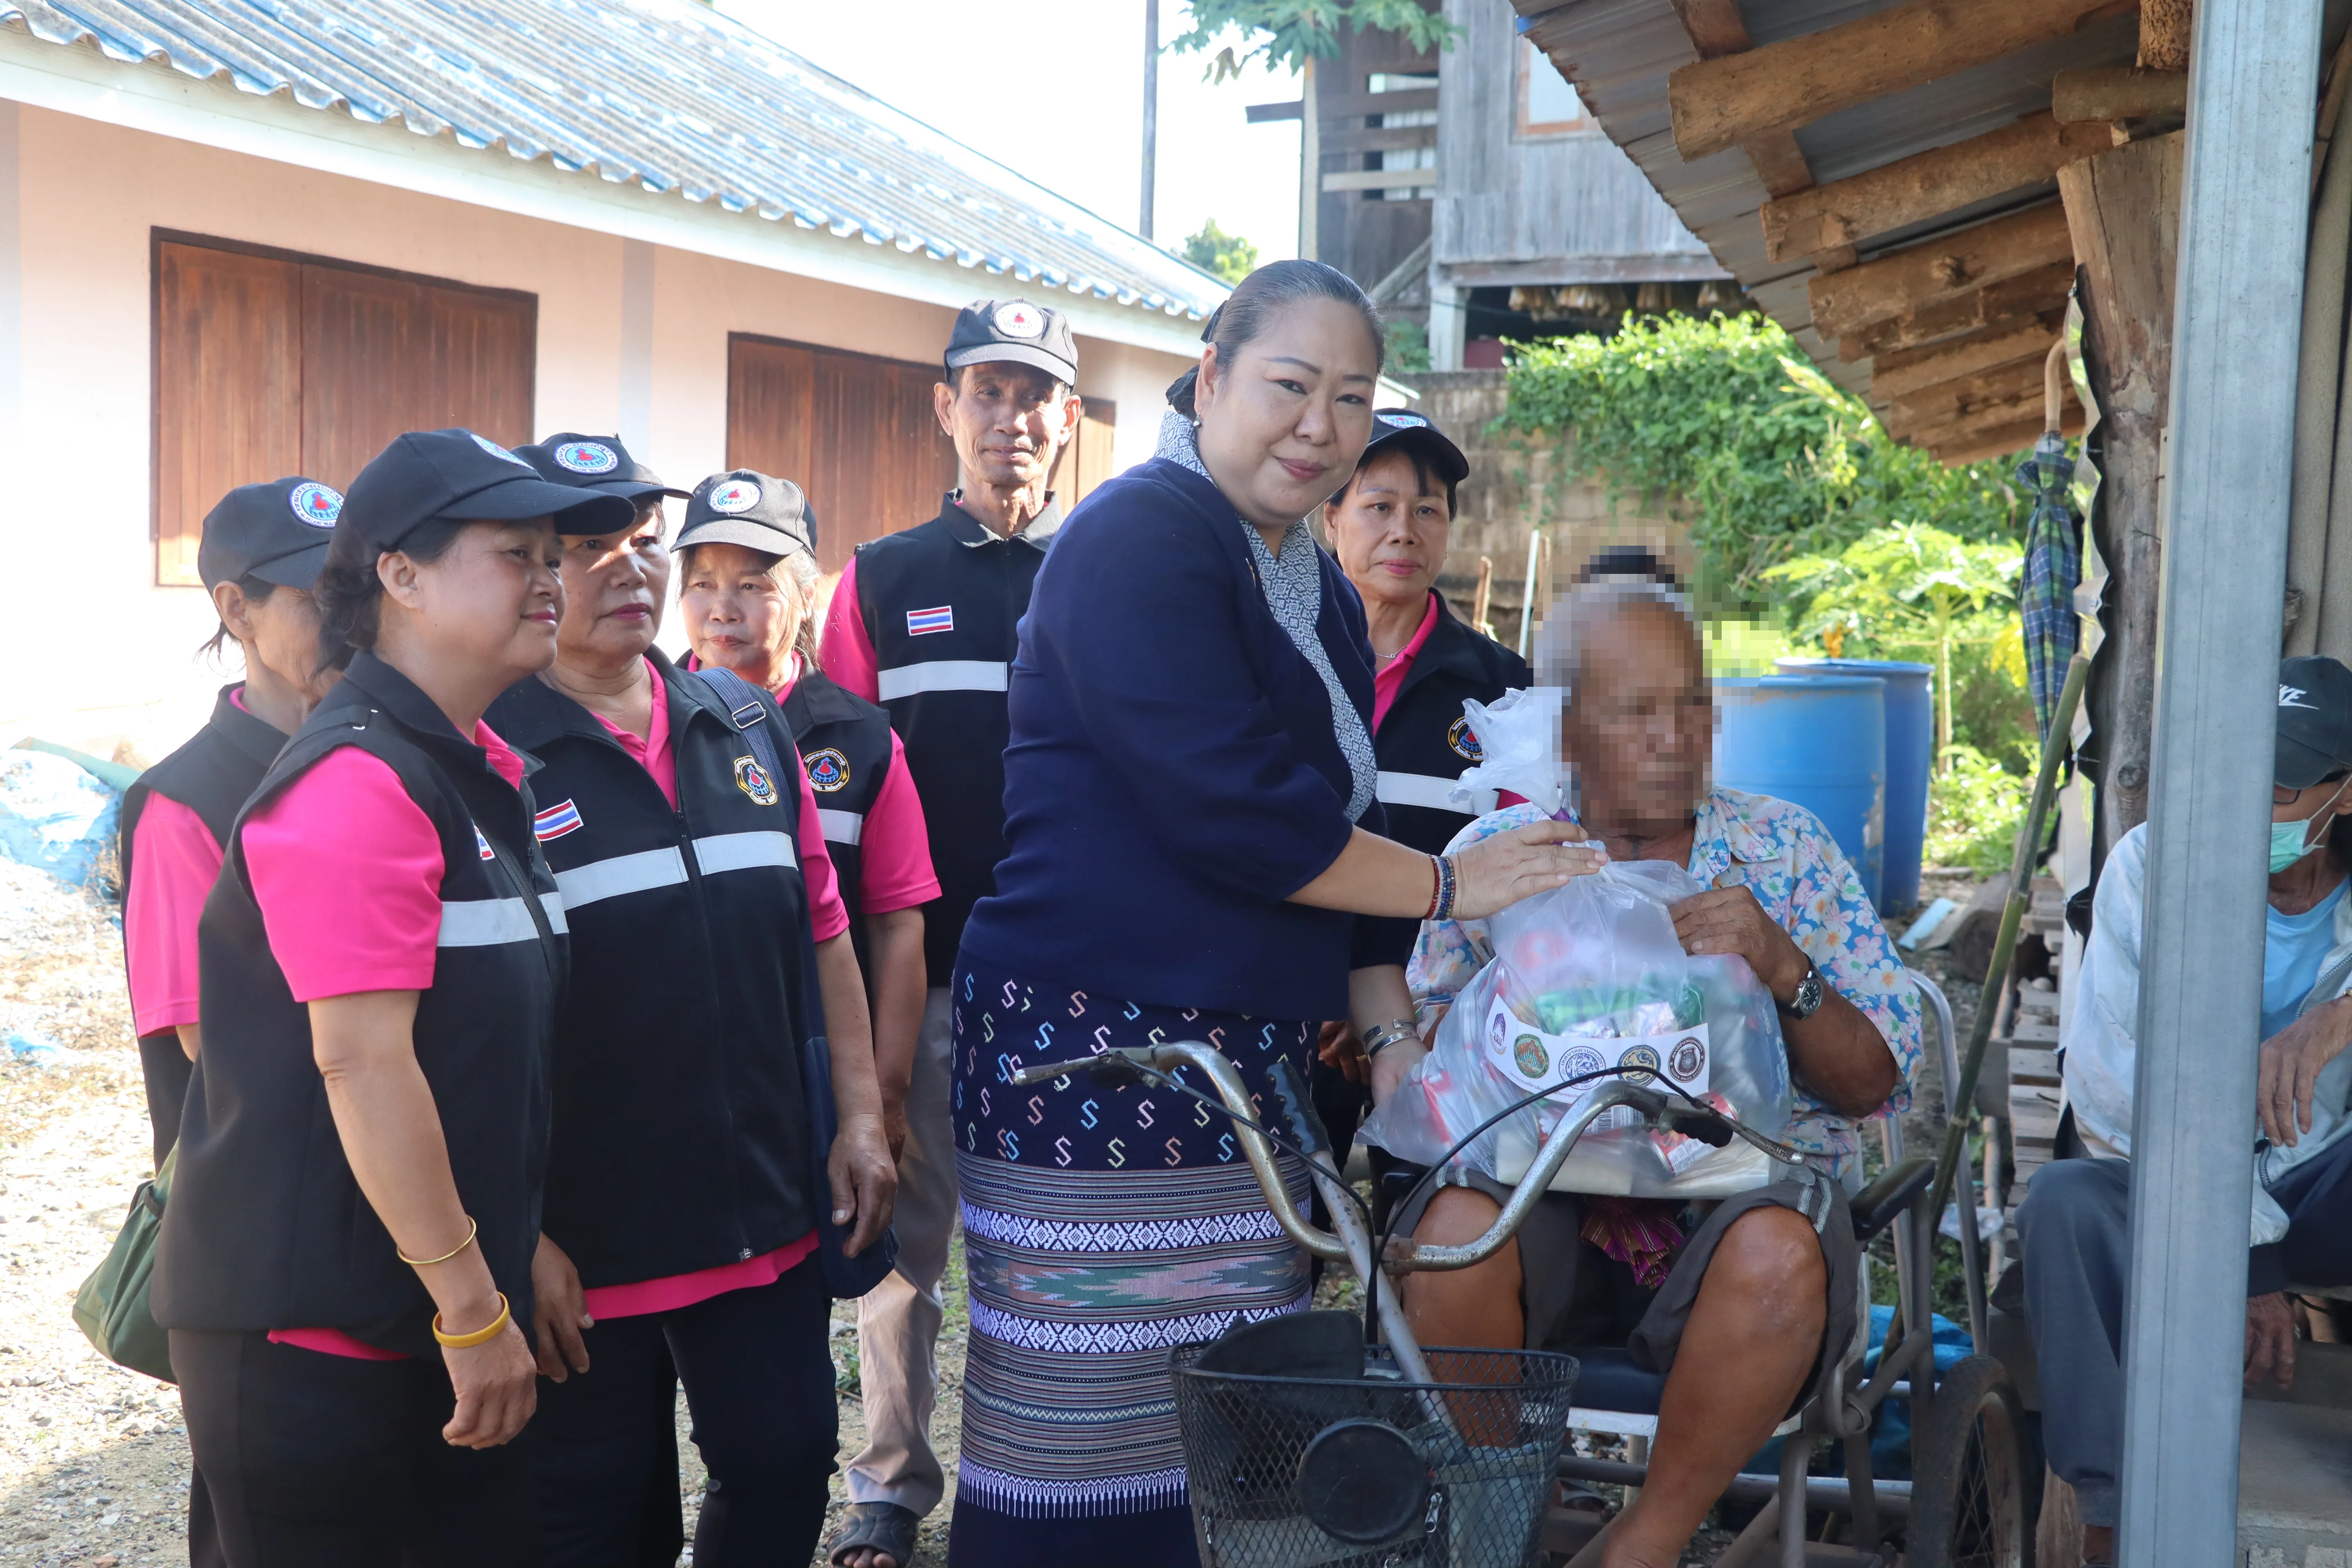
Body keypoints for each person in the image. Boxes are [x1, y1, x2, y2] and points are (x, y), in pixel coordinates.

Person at [944, 259, 1594, 1566]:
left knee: (1230, 1432)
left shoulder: (1305, 576)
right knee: (1087, 1436)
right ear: (1211, 378)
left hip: (1239, 1059)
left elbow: (1344, 820)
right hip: (1096, 1049)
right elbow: (1235, 812)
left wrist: (1392, 1035)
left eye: (1351, 398)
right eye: (1291, 386)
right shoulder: (1139, 537)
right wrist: (1452, 885)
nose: (1321, 426)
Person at [1378, 561, 1922, 1568]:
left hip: (1737, 1215)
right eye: (1636, 711)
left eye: (1693, 706)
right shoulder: (1505, 858)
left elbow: (1873, 1084)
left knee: (1775, 1253)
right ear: (1570, 731)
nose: (1675, 735)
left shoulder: (1784, 852)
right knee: (1453, 1232)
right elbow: (1431, 1066)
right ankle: (1503, 1522)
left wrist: (1783, 967)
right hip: (1542, 1207)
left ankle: (1645, 1541)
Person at [152, 429, 631, 1566]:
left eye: (553, 555)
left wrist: (518, 1242)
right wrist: (471, 1305)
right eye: (515, 553)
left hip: (419, 1306)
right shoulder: (357, 781)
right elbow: (363, 1063)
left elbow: (480, 1060)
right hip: (317, 1334)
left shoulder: (471, 769)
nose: (550, 578)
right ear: (401, 577)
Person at [485, 437, 897, 1567]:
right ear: (532, 571)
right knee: (602, 1513)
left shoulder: (747, 725)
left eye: (642, 541)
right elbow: (461, 1025)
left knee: (785, 1459)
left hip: (759, 1210)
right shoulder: (488, 755)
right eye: (585, 548)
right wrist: (518, 1233)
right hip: (587, 1238)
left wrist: (861, 1118)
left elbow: (826, 930)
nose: (626, 567)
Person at [817, 298, 1082, 1568]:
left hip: (1070, 981)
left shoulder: (1109, 576)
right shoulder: (879, 580)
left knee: (1051, 1246)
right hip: (918, 974)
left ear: (1070, 420)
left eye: (1035, 396)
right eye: (987, 391)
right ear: (946, 407)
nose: (1010, 418)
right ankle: (889, 1480)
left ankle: (1047, 1477)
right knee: (902, 1245)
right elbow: (837, 791)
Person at [2018, 655, 2352, 1568]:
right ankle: (2111, 1520)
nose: (2246, 806)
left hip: (2319, 1183)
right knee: (2062, 1205)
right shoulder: (2151, 865)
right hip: (2171, 1185)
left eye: (2278, 789)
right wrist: (2246, 1254)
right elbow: (2114, 1087)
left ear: (2345, 794)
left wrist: (2340, 1017)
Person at [678, 469, 939, 1164]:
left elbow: (898, 925)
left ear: (803, 597)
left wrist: (883, 1097)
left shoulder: (864, 741)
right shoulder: (644, 725)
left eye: (752, 585)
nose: (722, 610)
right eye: (702, 583)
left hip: (824, 1074)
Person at [1312, 408, 1528, 1191]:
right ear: (1331, 517)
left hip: (1439, 1027)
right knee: (1285, 1232)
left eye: (1427, 510)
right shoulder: (1279, 662)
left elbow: (1522, 864)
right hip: (1290, 1010)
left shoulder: (1503, 689)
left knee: (1427, 1231)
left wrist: (1409, 1012)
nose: (1403, 530)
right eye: (1379, 506)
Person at [120, 477, 343, 1173]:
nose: (351, 626)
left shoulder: (380, 760)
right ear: (238, 609)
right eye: (320, 600)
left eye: (361, 595)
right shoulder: (185, 804)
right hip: (269, 1194)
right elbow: (210, 1040)